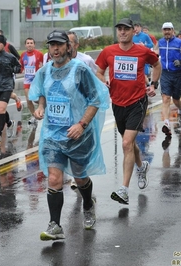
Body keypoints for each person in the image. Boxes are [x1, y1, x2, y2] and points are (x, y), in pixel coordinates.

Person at [29, 29, 109, 239]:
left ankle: (89, 205)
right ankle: (55, 225)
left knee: (79, 178)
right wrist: (40, 107)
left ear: (68, 47)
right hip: (53, 135)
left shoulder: (80, 70)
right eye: (51, 45)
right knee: (54, 178)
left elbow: (95, 100)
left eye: (59, 44)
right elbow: (43, 93)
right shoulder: (45, 71)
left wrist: (82, 124)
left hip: (78, 135)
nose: (55, 49)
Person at [95, 18, 161, 205]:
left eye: (126, 29)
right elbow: (99, 71)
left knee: (126, 143)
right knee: (129, 144)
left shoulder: (142, 51)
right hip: (117, 103)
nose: (122, 32)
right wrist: (103, 81)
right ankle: (142, 166)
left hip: (137, 102)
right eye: (120, 29)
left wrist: (154, 84)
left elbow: (157, 65)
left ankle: (123, 190)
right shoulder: (108, 51)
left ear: (133, 31)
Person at [66, 30, 98, 190]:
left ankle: (79, 175)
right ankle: (76, 174)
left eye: (69, 43)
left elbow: (97, 75)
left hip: (84, 111)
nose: (66, 46)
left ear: (76, 45)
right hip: (64, 113)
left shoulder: (85, 60)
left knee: (81, 144)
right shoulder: (56, 62)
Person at [157, 22, 181, 136]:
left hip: (177, 74)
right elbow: (155, 53)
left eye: (169, 29)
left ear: (172, 30)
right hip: (165, 73)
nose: (167, 32)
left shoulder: (179, 43)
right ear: (162, 31)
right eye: (165, 30)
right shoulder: (160, 42)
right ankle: (166, 124)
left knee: (176, 100)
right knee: (165, 99)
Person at [0, 29, 23, 112]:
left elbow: (17, 57)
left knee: (7, 92)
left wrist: (11, 66)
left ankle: (17, 99)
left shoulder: (9, 46)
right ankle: (5, 117)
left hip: (9, 73)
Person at [19, 37, 43, 125]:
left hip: (37, 81)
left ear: (34, 44)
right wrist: (19, 70)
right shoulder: (23, 55)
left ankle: (43, 108)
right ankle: (34, 116)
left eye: (31, 43)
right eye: (28, 43)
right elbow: (21, 67)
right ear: (25, 45)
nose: (29, 45)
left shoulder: (39, 54)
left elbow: (43, 65)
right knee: (28, 99)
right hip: (27, 81)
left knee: (37, 100)